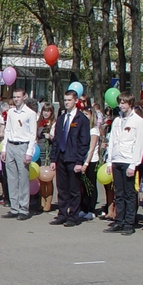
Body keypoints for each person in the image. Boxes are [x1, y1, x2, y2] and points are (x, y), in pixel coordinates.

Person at [105, 92, 143, 235]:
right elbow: (111, 142)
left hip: (129, 160)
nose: (121, 105)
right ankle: (119, 221)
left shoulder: (138, 121)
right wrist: (109, 161)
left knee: (129, 193)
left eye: (124, 102)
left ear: (130, 104)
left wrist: (134, 164)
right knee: (119, 193)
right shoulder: (116, 121)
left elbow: (139, 143)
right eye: (120, 102)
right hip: (117, 159)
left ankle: (129, 222)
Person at [49, 90, 91, 227]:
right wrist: (53, 159)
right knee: (62, 188)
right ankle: (62, 214)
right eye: (65, 100)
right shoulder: (61, 119)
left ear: (76, 101)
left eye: (69, 100)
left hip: (73, 158)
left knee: (74, 189)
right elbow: (56, 140)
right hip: (61, 157)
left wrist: (80, 161)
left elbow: (84, 142)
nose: (67, 102)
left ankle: (73, 215)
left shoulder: (81, 119)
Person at [0, 87, 37, 221]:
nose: (16, 99)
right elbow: (8, 130)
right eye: (14, 97)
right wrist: (4, 149)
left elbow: (33, 134)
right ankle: (14, 207)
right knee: (12, 178)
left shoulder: (30, 114)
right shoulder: (11, 112)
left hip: (23, 145)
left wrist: (29, 152)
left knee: (23, 179)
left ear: (24, 97)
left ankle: (23, 208)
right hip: (11, 144)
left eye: (18, 97)